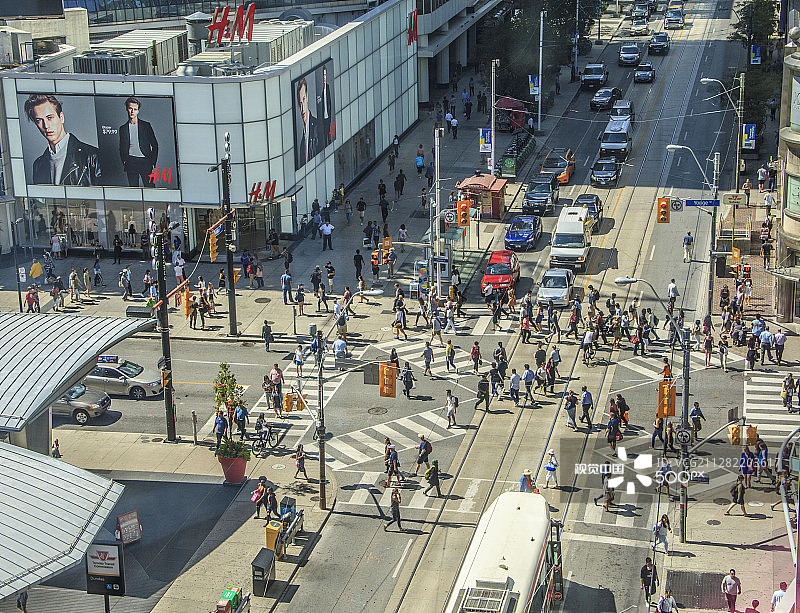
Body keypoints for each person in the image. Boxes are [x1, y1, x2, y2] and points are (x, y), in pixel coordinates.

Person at [24, 93, 101, 186]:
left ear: (61, 118)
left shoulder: (91, 156)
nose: (46, 126)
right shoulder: (38, 165)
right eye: (39, 120)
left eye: (50, 118)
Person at [118, 97, 158, 187]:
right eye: (130, 108)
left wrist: (152, 163)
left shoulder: (146, 126)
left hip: (145, 161)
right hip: (131, 162)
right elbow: (121, 147)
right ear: (127, 109)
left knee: (150, 188)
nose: (132, 111)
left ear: (138, 111)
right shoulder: (123, 128)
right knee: (133, 190)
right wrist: (125, 161)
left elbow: (155, 145)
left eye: (135, 109)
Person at [295, 77, 320, 167]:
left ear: (307, 97)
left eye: (304, 99)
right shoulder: (302, 139)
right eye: (300, 103)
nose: (302, 109)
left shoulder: (317, 127)